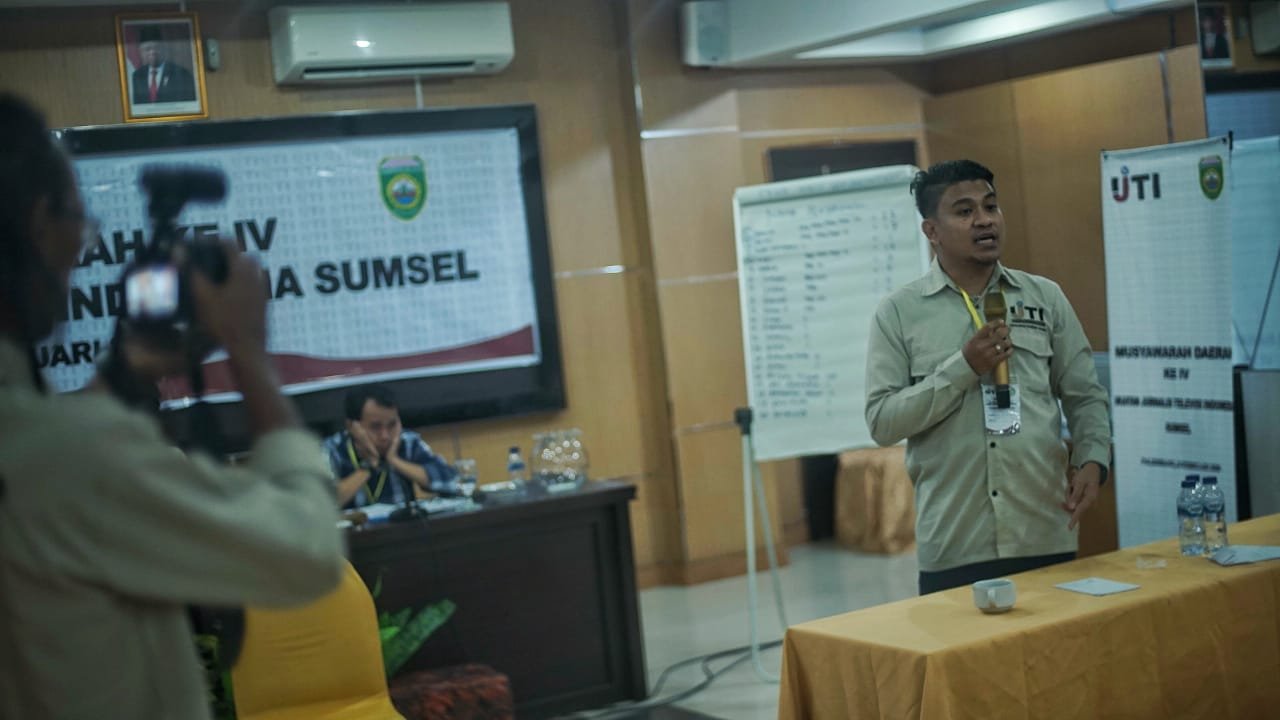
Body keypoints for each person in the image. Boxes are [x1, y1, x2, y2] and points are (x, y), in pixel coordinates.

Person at [0, 94, 344, 720]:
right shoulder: (70, 456)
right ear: (37, 221)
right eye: (79, 218)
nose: (80, 247)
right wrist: (248, 352)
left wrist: (123, 372)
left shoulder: (37, 442)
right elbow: (309, 550)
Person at [864, 159, 1111, 595]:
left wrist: (1093, 459)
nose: (984, 220)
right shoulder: (899, 313)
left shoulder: (1045, 297)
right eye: (964, 211)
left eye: (991, 206)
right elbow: (883, 422)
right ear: (932, 231)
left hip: (1043, 527)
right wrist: (963, 367)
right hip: (956, 539)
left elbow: (1085, 395)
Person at [324, 384, 458, 509]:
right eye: (375, 427)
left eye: (392, 425)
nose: (385, 436)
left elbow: (453, 482)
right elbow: (323, 504)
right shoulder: (333, 450)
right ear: (351, 426)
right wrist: (368, 466)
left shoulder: (406, 442)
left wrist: (394, 460)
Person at [130, 25, 197, 105]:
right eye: (147, 49)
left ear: (163, 48)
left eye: (156, 48)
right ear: (141, 52)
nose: (152, 52)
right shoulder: (137, 76)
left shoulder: (181, 74)